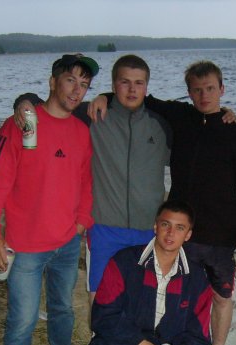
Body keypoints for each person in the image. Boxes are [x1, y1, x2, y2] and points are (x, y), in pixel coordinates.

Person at [89, 60, 236, 345]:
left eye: (210, 88)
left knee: (221, 297)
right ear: (189, 92)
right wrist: (105, 96)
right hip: (182, 234)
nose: (204, 95)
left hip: (223, 237)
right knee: (173, 297)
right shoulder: (180, 119)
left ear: (222, 89)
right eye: (197, 89)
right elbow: (138, 97)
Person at [0, 53, 98, 345]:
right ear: (53, 81)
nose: (77, 90)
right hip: (25, 246)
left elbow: (86, 180)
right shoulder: (23, 124)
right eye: (71, 80)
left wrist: (82, 220)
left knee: (62, 310)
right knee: (22, 321)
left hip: (66, 243)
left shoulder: (81, 132)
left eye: (84, 85)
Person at [13, 55, 171, 304]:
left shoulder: (161, 126)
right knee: (100, 303)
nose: (132, 89)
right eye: (125, 82)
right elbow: (52, 106)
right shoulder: (92, 116)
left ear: (146, 86)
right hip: (104, 228)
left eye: (139, 83)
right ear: (114, 84)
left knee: (142, 303)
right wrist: (24, 102)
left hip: (148, 231)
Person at [87, 200, 226, 345]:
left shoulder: (197, 278)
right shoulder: (124, 261)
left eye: (179, 228)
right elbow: (102, 315)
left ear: (188, 235)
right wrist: (138, 343)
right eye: (165, 224)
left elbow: (199, 336)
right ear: (155, 226)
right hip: (130, 343)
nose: (171, 233)